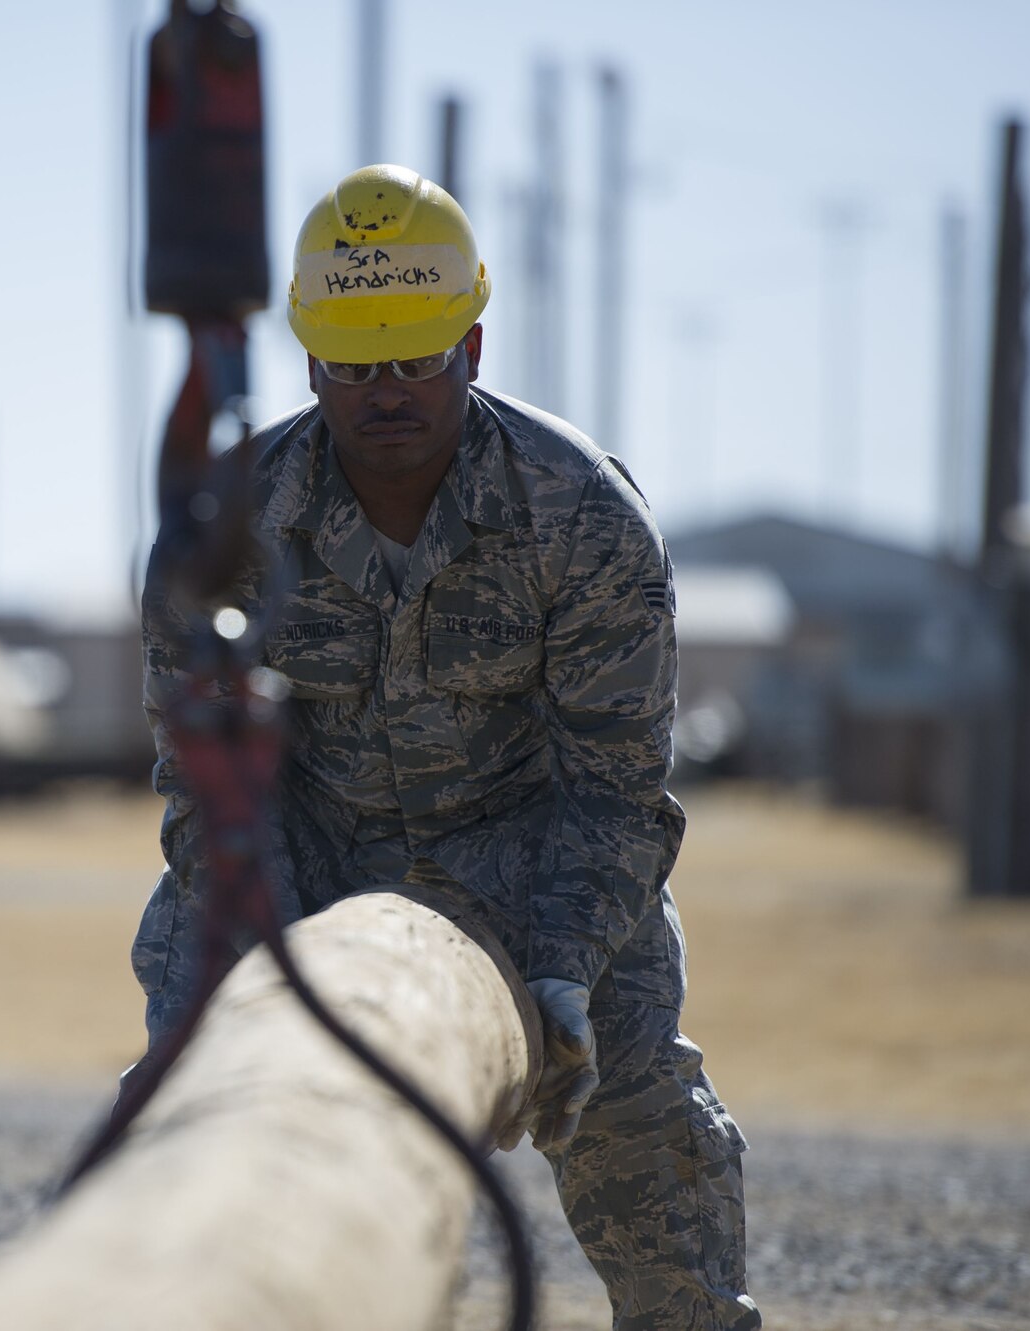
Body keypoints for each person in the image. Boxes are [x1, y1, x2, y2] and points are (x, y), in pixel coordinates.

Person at [129, 164, 762, 1330]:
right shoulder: (225, 528)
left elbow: (614, 786)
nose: (385, 391)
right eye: (352, 365)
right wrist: (269, 957)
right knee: (194, 1111)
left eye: (415, 359)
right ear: (308, 361)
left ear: (470, 346)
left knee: (642, 1123)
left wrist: (561, 963)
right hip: (303, 861)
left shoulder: (580, 515)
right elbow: (207, 788)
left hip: (537, 869)